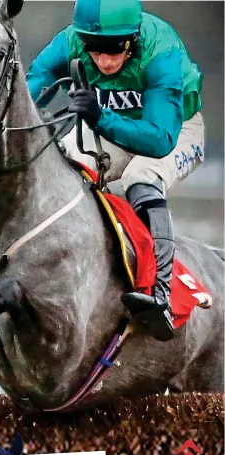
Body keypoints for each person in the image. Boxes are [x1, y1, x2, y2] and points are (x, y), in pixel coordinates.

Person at [26, 0, 204, 342]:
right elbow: (34, 84)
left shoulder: (160, 50)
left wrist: (100, 117)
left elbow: (159, 139)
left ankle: (161, 294)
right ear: (82, 39)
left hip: (174, 130)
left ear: (133, 39)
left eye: (115, 48)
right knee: (67, 171)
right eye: (95, 49)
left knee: (141, 178)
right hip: (110, 126)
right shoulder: (69, 41)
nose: (105, 61)